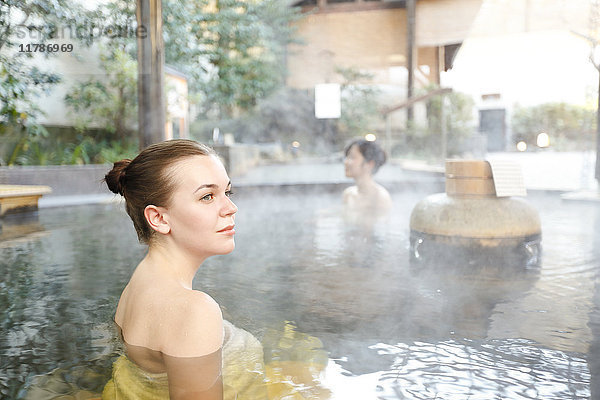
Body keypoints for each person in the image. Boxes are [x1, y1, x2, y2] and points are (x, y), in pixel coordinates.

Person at [102, 139, 237, 399]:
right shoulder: (194, 310)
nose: (231, 208)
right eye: (207, 196)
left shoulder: (139, 283)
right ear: (159, 218)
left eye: (227, 193)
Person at [342, 138, 392, 215]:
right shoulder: (348, 194)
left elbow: (382, 226)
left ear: (369, 164)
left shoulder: (380, 199)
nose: (346, 162)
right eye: (347, 157)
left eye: (352, 157)